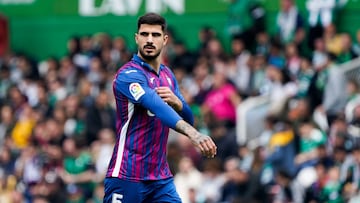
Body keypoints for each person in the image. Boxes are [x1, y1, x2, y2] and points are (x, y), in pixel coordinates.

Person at [103, 12, 217, 203]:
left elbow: (188, 118)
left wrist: (179, 104)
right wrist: (194, 134)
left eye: (155, 35)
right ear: (136, 38)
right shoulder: (128, 75)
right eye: (144, 34)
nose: (149, 40)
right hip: (127, 175)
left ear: (165, 40)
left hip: (160, 178)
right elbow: (156, 106)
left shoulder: (167, 75)